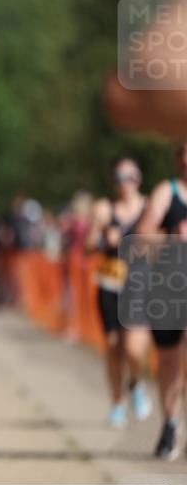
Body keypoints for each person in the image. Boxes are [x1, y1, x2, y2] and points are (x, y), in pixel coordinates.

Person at [84, 157, 153, 428]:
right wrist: (103, 240)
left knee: (133, 348)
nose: (123, 183)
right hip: (109, 282)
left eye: (128, 177)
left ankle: (135, 383)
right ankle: (117, 404)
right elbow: (87, 246)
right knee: (113, 346)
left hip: (138, 283)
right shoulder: (104, 209)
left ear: (138, 179)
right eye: (117, 178)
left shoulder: (150, 207)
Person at [136, 141, 187, 460]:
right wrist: (172, 236)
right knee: (168, 360)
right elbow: (141, 236)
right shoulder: (166, 193)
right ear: (178, 158)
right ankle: (170, 423)